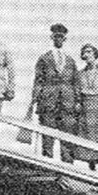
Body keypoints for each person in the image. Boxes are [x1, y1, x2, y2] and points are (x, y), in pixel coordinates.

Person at [30, 23, 80, 159]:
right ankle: (47, 165)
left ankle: (68, 168)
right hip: (48, 103)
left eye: (61, 37)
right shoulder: (44, 59)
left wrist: (77, 102)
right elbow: (38, 80)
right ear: (52, 37)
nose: (58, 39)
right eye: (56, 37)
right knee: (48, 137)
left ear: (65, 39)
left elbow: (76, 82)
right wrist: (35, 99)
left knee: (68, 138)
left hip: (67, 105)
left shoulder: (71, 61)